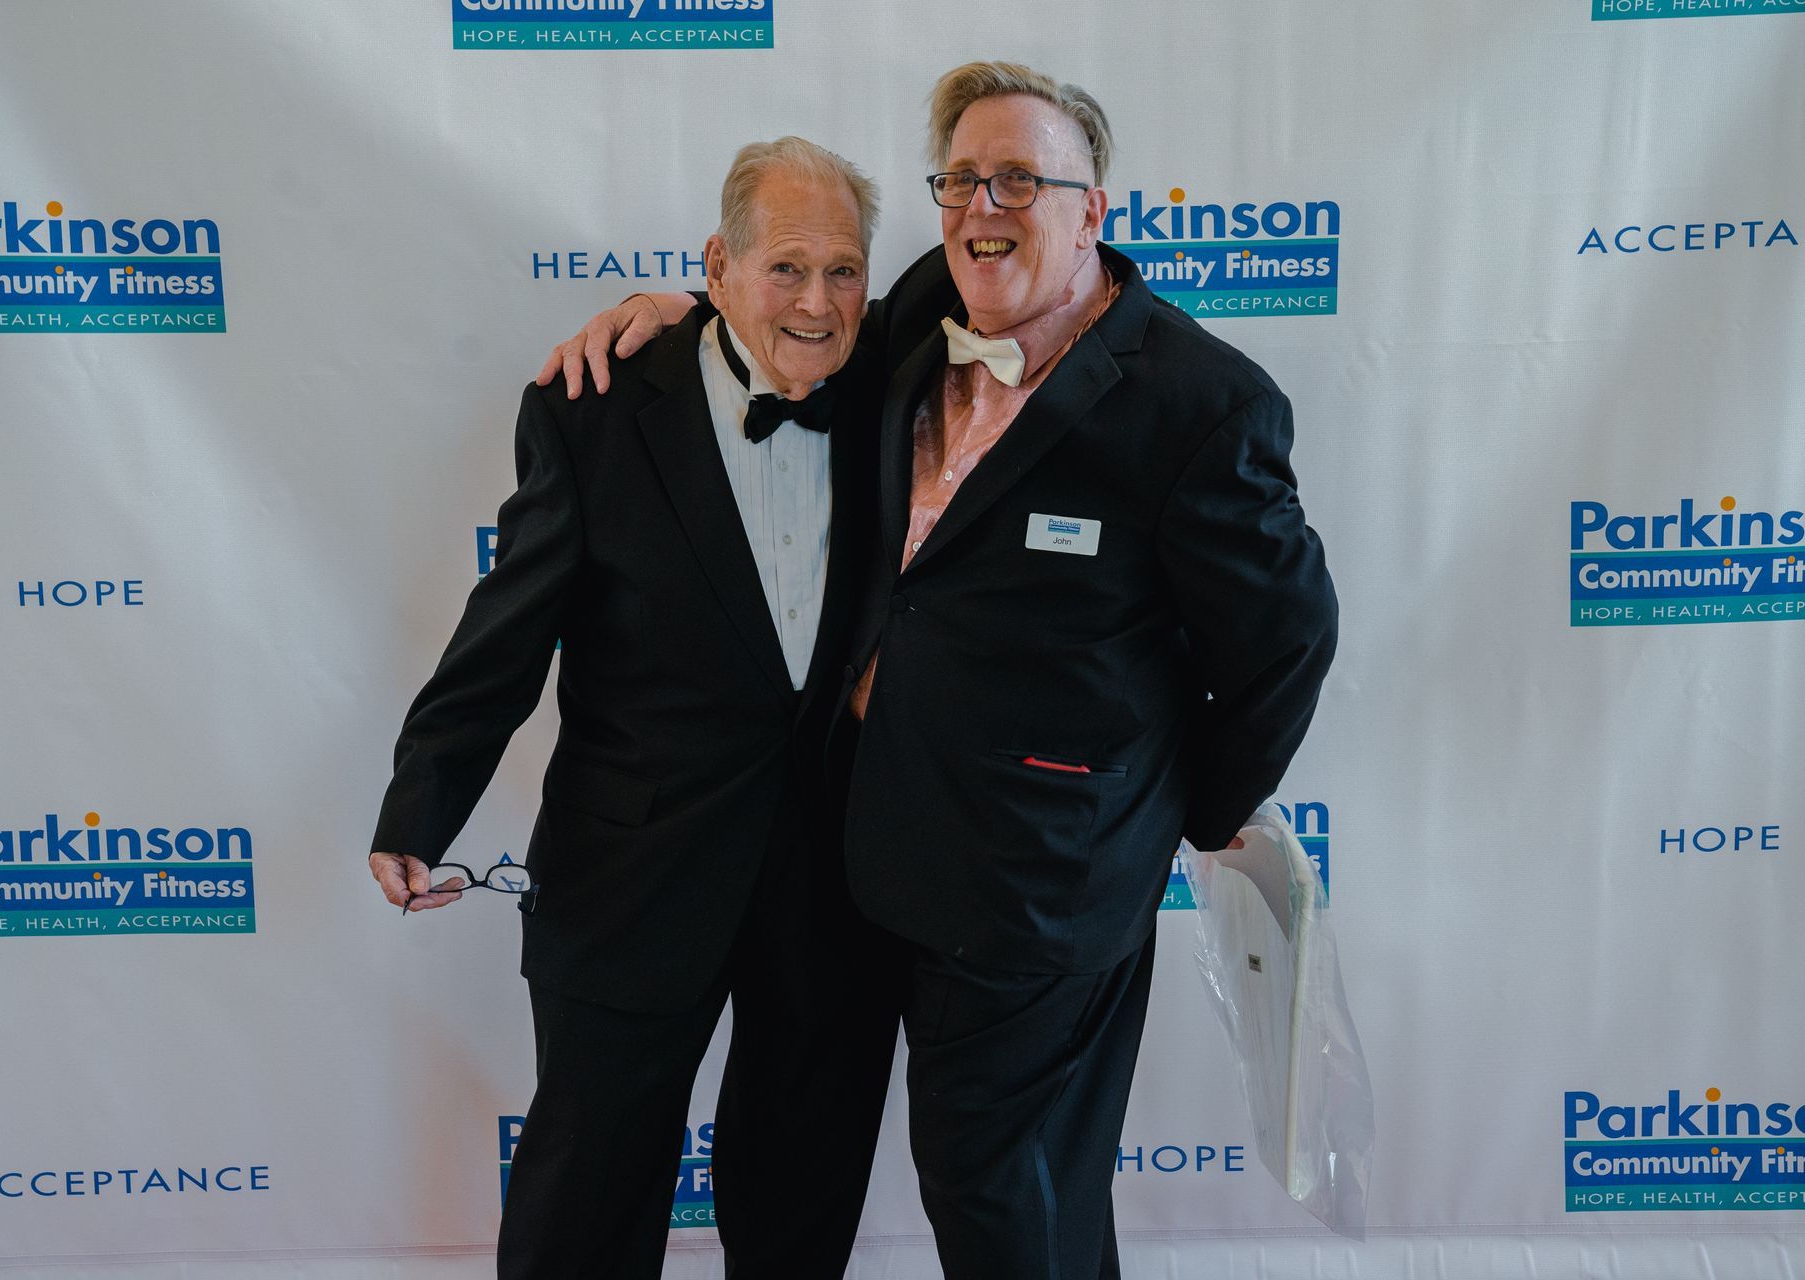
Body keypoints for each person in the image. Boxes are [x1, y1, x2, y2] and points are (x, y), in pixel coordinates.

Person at [539, 60, 1338, 1280]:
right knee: (966, 1179)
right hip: (870, 859)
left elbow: (1288, 640)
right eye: (961, 179)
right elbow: (791, 316)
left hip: (1038, 883)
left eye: (1020, 178)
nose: (982, 206)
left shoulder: (1201, 402)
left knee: (1000, 1187)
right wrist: (673, 307)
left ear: (1093, 210)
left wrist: (1191, 806)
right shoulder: (923, 300)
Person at [369, 137, 903, 1280]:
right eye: (787, 267)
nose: (818, 302)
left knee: (803, 1200)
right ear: (718, 264)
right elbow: (509, 626)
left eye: (846, 270)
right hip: (632, 870)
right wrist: (422, 802)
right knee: (587, 1201)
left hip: (836, 879)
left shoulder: (902, 391)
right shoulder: (594, 405)